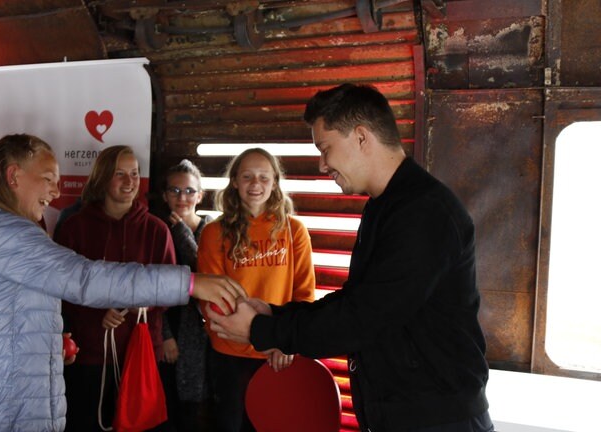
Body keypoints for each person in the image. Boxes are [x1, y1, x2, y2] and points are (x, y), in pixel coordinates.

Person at [207, 83, 493, 432]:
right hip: (401, 414)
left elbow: (366, 318)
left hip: (437, 419)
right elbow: (359, 300)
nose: (322, 164)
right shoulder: (384, 206)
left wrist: (262, 329)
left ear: (361, 137)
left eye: (325, 148)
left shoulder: (423, 211)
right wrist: (277, 313)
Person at [0, 134, 244, 432]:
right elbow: (83, 279)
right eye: (47, 180)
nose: (56, 192)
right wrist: (188, 283)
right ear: (13, 176)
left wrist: (44, 345)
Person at [54, 145, 175, 432]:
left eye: (134, 173)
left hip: (141, 351)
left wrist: (141, 304)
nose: (129, 181)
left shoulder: (157, 230)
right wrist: (95, 313)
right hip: (89, 352)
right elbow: (60, 287)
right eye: (120, 174)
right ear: (102, 178)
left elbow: (170, 287)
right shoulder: (74, 227)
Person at [198, 148, 316, 432]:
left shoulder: (294, 231)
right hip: (230, 354)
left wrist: (285, 341)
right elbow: (212, 301)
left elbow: (304, 292)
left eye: (264, 177)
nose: (255, 184)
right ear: (235, 181)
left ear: (275, 183)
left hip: (277, 354)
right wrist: (263, 335)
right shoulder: (215, 233)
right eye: (247, 176)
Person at [159, 159, 215, 431]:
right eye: (175, 191)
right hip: (172, 328)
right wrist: (165, 334)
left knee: (205, 408)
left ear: (200, 195)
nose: (183, 197)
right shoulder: (158, 231)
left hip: (209, 332)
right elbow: (154, 288)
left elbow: (205, 272)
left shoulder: (214, 229)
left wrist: (182, 232)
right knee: (173, 407)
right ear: (165, 195)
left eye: (190, 191)